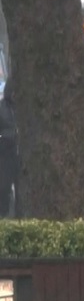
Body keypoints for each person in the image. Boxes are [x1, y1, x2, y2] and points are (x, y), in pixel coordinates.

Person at [0, 85, 18, 217]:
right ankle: (4, 213)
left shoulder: (21, 108)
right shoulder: (2, 107)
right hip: (5, 152)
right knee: (4, 186)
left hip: (19, 152)